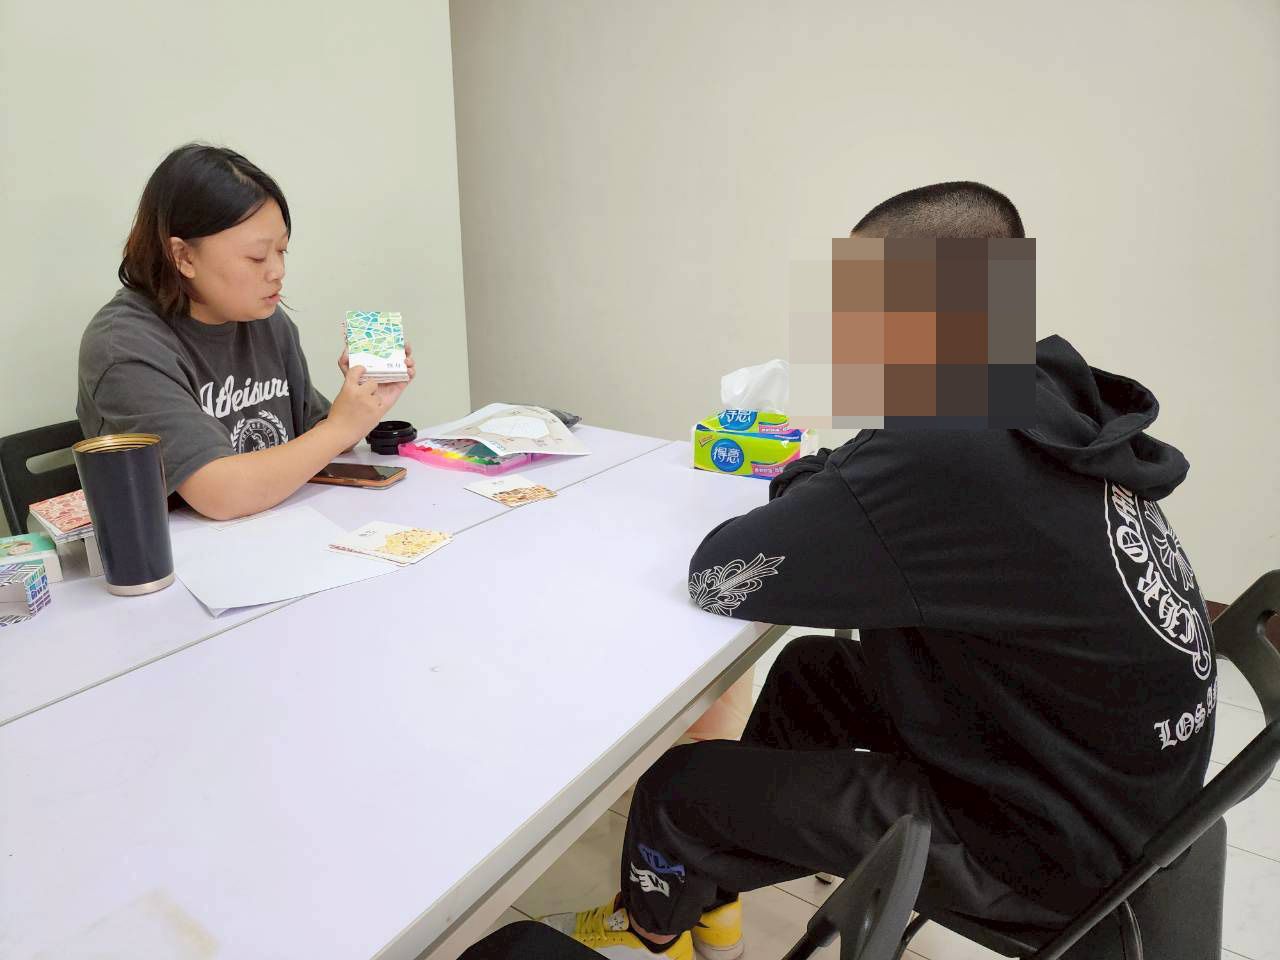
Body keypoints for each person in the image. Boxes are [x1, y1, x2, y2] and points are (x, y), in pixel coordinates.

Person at [543, 182, 1216, 959]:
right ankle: (712, 886)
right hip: (1114, 785)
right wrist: (841, 472)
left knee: (675, 789)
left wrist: (827, 475)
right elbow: (855, 478)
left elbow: (720, 575)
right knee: (812, 672)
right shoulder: (1031, 391)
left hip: (1044, 849)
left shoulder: (945, 444)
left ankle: (649, 933)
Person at [77, 143, 414, 520]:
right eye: (256, 257)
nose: (277, 271)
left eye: (282, 251)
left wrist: (364, 402)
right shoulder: (124, 346)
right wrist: (339, 428)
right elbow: (220, 494)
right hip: (184, 550)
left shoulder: (264, 318)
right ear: (183, 256)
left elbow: (316, 441)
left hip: (278, 529)